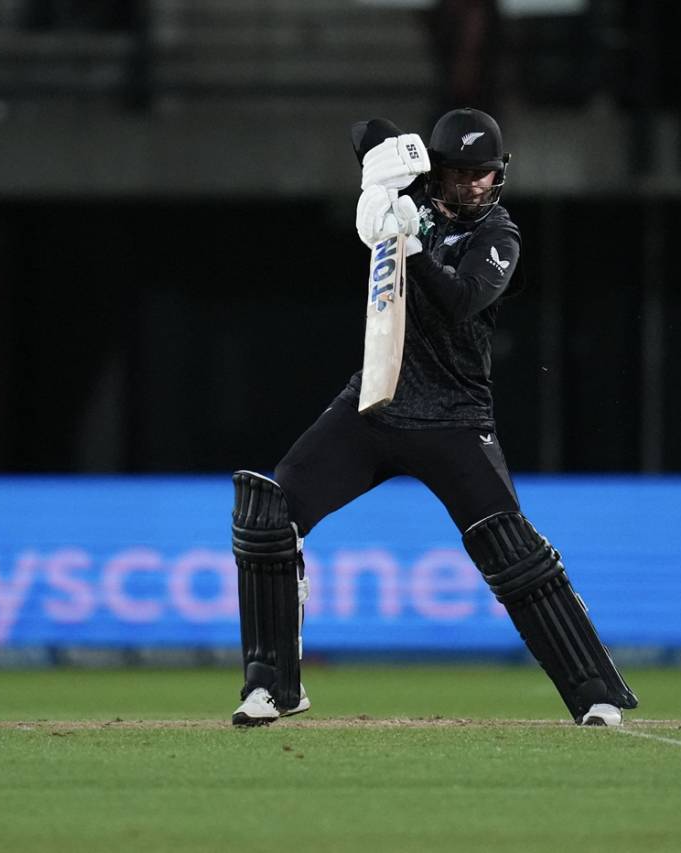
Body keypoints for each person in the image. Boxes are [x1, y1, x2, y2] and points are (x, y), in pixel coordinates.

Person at [229, 107, 637, 727]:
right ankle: (272, 687)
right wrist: (380, 174)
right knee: (270, 514)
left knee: (510, 549)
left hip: (453, 418)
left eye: (486, 173)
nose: (475, 185)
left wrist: (407, 245)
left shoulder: (500, 235)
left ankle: (595, 695)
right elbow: (363, 128)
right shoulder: (407, 197)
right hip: (375, 402)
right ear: (438, 172)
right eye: (462, 173)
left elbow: (462, 302)